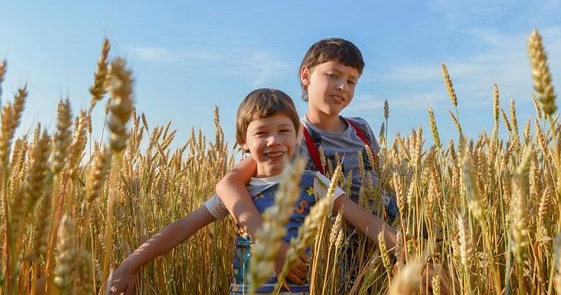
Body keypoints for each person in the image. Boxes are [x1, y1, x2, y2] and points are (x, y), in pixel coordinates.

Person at [109, 88, 396, 295]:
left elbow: (367, 222)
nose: (274, 141)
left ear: (297, 135)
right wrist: (130, 264)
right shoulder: (240, 193)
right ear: (242, 141)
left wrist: (415, 256)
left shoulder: (315, 182)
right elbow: (184, 226)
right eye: (261, 133)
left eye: (284, 131)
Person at [216, 38, 398, 285]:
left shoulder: (362, 129)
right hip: (339, 256)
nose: (342, 86)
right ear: (306, 76)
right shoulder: (289, 139)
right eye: (333, 75)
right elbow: (230, 183)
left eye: (351, 81)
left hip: (385, 240)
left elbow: (379, 181)